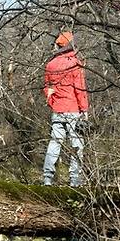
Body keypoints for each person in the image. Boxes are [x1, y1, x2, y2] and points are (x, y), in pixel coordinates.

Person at [42, 30, 89, 186]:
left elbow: (47, 88)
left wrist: (52, 103)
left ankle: (47, 179)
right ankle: (75, 181)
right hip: (73, 110)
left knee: (54, 144)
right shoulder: (75, 63)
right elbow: (80, 89)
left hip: (57, 111)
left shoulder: (50, 64)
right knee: (77, 146)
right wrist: (84, 109)